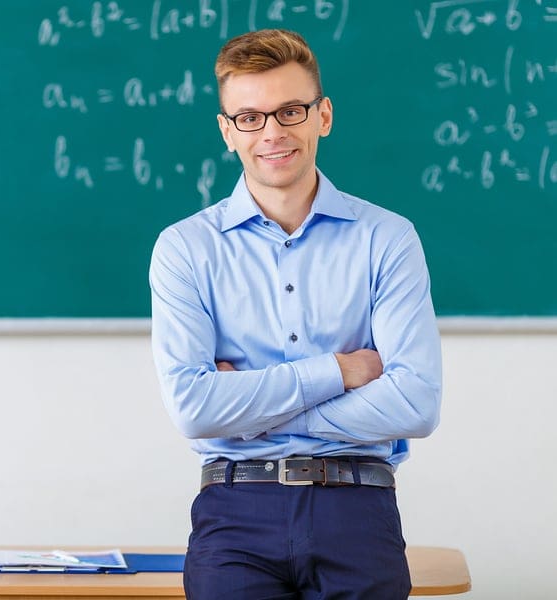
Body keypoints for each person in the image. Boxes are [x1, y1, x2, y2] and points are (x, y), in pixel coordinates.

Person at [149, 29, 442, 599]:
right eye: (250, 117)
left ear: (323, 115)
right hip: (234, 514)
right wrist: (338, 371)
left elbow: (416, 403)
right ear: (226, 131)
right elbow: (193, 409)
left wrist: (251, 408)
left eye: (290, 110)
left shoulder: (388, 239)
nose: (273, 133)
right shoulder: (184, 248)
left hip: (357, 509)